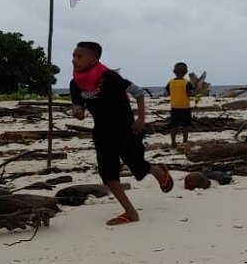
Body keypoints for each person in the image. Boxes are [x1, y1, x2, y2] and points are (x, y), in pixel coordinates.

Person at [69, 41, 173, 226]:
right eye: (74, 56)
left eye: (79, 56)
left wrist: (140, 119)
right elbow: (79, 109)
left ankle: (157, 171)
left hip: (126, 129)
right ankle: (130, 212)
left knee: (138, 166)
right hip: (102, 132)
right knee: (108, 173)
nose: (74, 60)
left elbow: (138, 92)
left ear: (93, 59)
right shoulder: (75, 84)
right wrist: (78, 113)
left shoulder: (108, 76)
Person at [165, 62, 194, 148]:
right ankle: (184, 141)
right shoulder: (187, 82)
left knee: (174, 126)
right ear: (186, 72)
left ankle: (173, 143)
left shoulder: (170, 82)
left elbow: (168, 92)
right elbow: (189, 94)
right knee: (185, 126)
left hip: (174, 107)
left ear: (174, 71)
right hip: (185, 107)